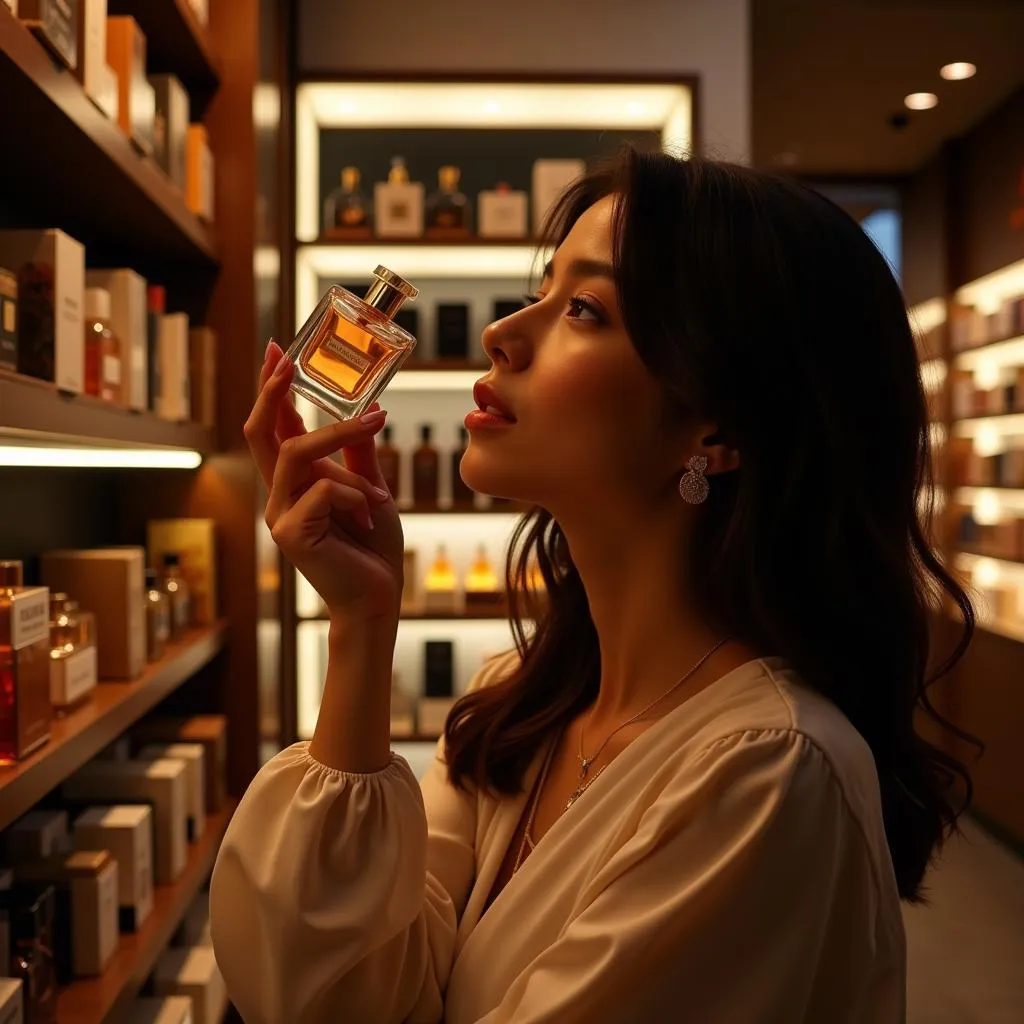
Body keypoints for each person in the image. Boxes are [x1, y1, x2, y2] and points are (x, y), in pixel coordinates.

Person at [209, 146, 980, 1023]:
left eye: (583, 307)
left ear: (716, 427)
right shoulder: (520, 701)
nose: (505, 331)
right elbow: (345, 999)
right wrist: (361, 621)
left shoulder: (768, 771)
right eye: (542, 288)